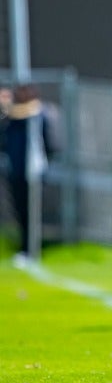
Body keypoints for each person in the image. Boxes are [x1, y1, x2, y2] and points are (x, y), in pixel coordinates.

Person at [0, 84, 55, 263]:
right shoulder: (10, 121)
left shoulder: (40, 116)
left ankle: (32, 249)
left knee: (33, 212)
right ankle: (25, 248)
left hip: (34, 172)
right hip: (16, 171)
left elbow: (50, 144)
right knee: (21, 211)